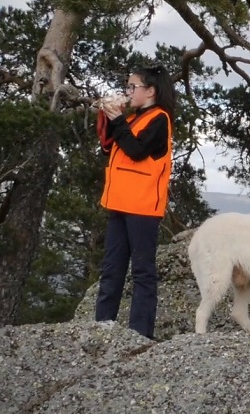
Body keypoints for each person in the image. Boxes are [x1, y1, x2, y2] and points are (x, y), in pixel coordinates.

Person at [94, 65, 176, 340]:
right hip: (119, 203)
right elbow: (109, 146)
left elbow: (137, 151)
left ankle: (140, 333)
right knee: (112, 266)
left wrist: (117, 120)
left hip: (142, 207)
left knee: (142, 270)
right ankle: (103, 324)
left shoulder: (159, 119)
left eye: (133, 87)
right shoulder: (132, 118)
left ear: (150, 91)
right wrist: (109, 117)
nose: (128, 92)